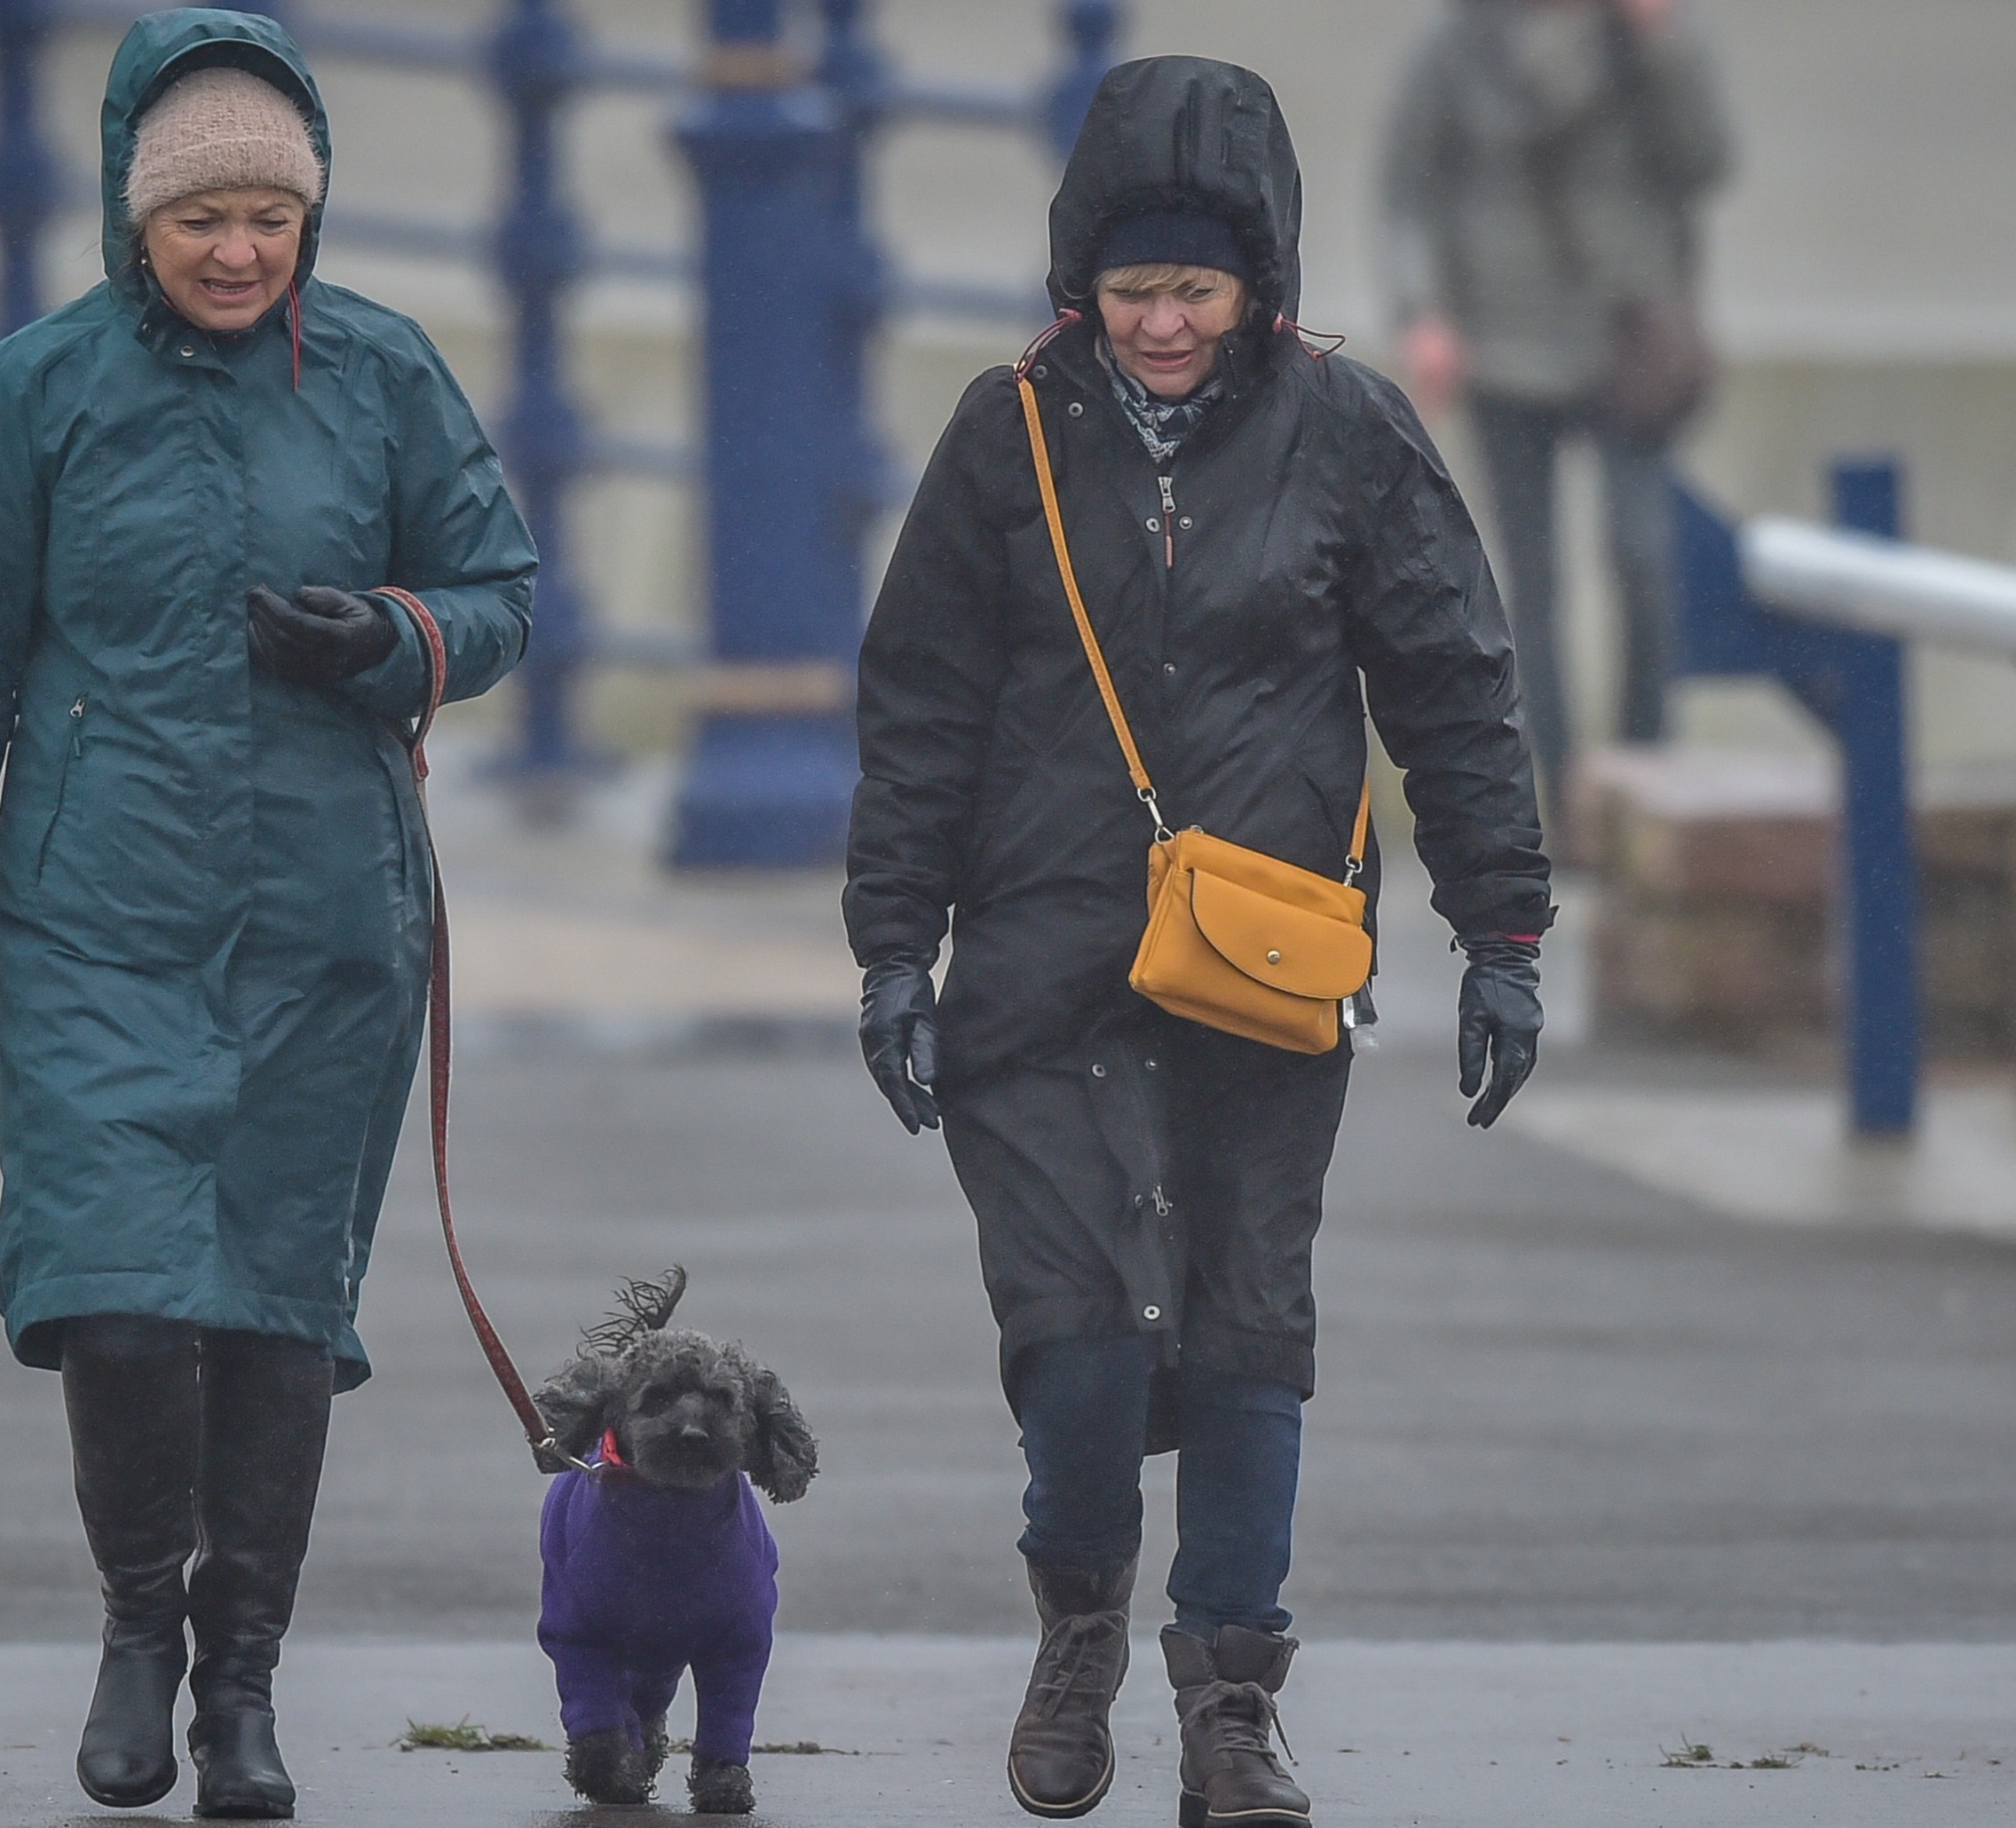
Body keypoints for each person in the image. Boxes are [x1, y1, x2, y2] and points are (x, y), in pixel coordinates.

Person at [845, 56, 1551, 1828]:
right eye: (1134, 289)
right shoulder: (1000, 441)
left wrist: (1503, 929)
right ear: (1083, 285)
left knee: (1246, 1327)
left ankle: (1232, 1697)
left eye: (1198, 289)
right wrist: (890, 953)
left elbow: (1454, 683)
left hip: (1262, 964)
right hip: (1039, 962)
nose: (1162, 324)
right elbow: (920, 707)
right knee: (1076, 1334)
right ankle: (1079, 1615)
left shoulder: (1354, 433)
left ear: (1263, 289)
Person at [0, 9, 533, 1817]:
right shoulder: (41, 389)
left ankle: (243, 1680)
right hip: (97, 916)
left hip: (331, 932)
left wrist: (398, 639)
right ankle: (137, 1629)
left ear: (311, 218)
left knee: (269, 1319)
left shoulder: (386, 377)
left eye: (272, 218)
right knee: (120, 1302)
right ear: (129, 216)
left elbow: (502, 591)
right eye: (201, 220)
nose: (240, 252)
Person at [1380, 0, 1733, 811]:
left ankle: (1647, 779)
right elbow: (1406, 189)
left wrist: (1660, 45)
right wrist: (1423, 312)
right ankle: (1558, 789)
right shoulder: (1458, 42)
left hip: (1627, 343)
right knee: (1527, 590)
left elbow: (1706, 160)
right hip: (1502, 345)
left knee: (1644, 559)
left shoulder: (1643, 39)